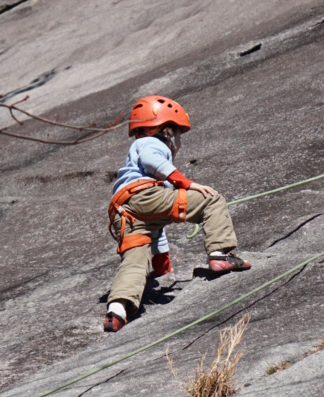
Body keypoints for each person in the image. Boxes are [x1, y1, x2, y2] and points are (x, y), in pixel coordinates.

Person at [104, 94, 250, 332]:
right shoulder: (151, 143)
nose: (179, 144)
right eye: (178, 135)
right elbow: (152, 161)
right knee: (211, 199)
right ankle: (221, 254)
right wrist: (187, 183)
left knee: (134, 260)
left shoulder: (135, 158)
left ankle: (117, 309)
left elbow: (155, 225)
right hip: (145, 196)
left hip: (125, 210)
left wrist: (162, 266)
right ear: (162, 130)